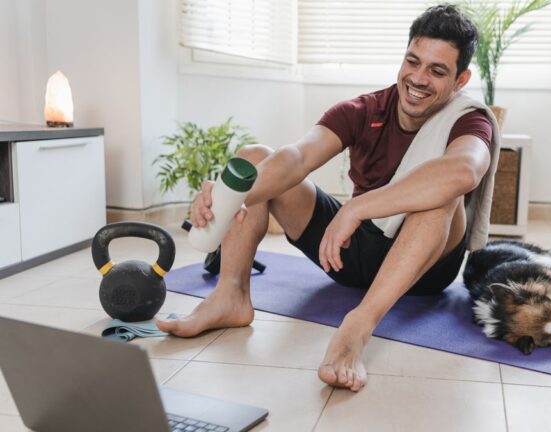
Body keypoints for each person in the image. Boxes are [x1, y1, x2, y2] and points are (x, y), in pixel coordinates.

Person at [157, 4, 498, 392]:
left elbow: (464, 170)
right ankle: (230, 297)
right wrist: (230, 195)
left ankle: (357, 327)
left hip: (422, 266)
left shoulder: (469, 118)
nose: (418, 79)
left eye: (437, 71)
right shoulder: (365, 109)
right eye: (413, 62)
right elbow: (298, 157)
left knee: (441, 195)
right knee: (253, 158)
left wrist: (357, 206)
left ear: (460, 80)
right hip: (349, 253)